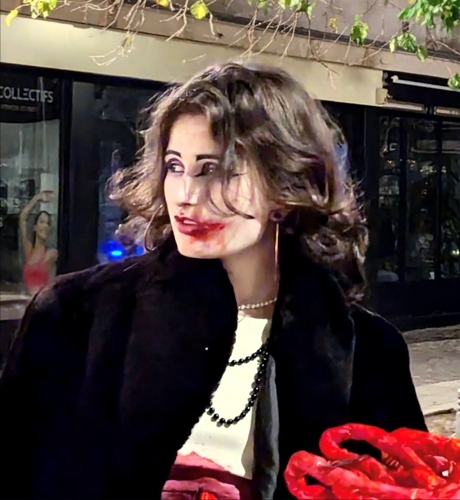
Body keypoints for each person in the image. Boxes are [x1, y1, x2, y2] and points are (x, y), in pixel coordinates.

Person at [0, 62, 426, 500]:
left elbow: (406, 484)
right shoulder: (76, 315)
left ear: (285, 186)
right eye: (175, 166)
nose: (186, 195)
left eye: (215, 170)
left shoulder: (367, 350)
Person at [19, 190, 58, 295]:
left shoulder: (51, 253)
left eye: (47, 223)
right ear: (35, 227)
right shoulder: (29, 251)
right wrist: (36, 198)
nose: (45, 226)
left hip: (41, 301)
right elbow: (23, 218)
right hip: (28, 300)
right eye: (42, 222)